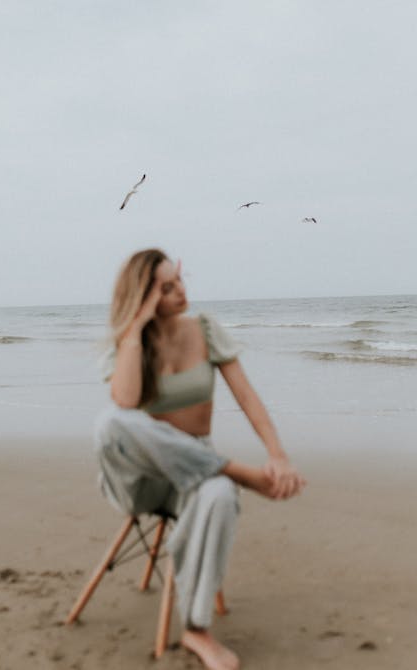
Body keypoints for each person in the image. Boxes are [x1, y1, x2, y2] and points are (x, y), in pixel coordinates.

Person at [95, 248, 306, 670]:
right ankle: (235, 471)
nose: (180, 292)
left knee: (220, 495)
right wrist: (136, 327)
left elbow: (246, 397)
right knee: (113, 421)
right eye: (165, 287)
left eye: (180, 281)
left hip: (195, 477)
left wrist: (277, 456)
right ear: (143, 296)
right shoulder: (129, 343)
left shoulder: (205, 329)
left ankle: (197, 630)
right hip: (141, 479)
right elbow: (126, 401)